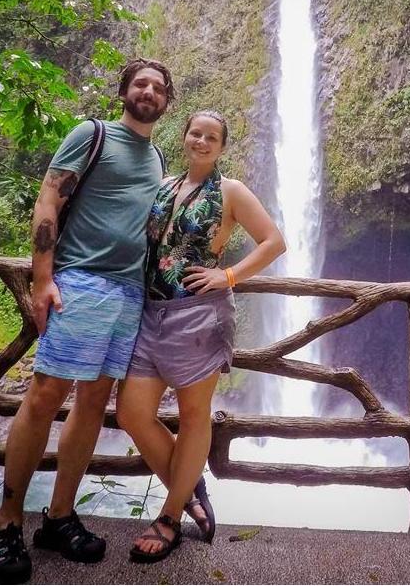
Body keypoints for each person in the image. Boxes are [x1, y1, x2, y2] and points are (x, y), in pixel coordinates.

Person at [0, 59, 179, 584]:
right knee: (46, 396)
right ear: (124, 91)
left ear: (167, 102)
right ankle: (6, 527)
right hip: (82, 284)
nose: (149, 91)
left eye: (159, 87)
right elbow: (50, 198)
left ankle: (59, 516)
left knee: (93, 401)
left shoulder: (158, 156)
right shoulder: (92, 135)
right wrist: (43, 278)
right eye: (141, 83)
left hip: (129, 293)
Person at [116, 110, 286, 563]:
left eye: (212, 137)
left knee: (194, 416)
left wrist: (228, 275)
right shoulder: (166, 185)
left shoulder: (230, 191)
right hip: (150, 313)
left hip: (199, 317)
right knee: (132, 413)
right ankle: (189, 484)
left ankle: (170, 518)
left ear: (222, 147)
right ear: (185, 137)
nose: (203, 141)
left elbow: (273, 241)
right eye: (196, 133)